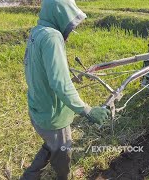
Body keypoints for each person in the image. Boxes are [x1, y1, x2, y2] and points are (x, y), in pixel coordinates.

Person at [21, 0, 110, 179]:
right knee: (63, 151)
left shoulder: (37, 31)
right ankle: (64, 176)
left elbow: (35, 67)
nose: (70, 29)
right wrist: (88, 110)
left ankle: (31, 173)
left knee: (52, 142)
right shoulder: (52, 37)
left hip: (38, 107)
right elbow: (60, 84)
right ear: (60, 15)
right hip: (52, 114)